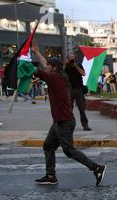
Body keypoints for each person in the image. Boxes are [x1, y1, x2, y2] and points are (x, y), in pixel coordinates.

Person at [31, 40, 106, 186]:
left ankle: (97, 168)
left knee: (69, 151)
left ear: (53, 68)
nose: (46, 68)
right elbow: (46, 65)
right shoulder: (59, 75)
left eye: (48, 67)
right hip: (60, 120)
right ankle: (51, 175)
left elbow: (36, 70)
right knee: (48, 146)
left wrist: (23, 60)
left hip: (64, 121)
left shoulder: (54, 78)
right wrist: (37, 53)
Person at [64, 52, 91, 131]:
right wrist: (66, 64)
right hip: (69, 89)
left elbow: (83, 74)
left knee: (81, 108)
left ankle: (85, 125)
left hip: (79, 89)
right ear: (67, 59)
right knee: (69, 109)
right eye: (70, 58)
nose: (72, 60)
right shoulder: (66, 66)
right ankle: (68, 125)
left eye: (73, 58)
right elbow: (61, 73)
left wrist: (75, 66)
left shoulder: (78, 65)